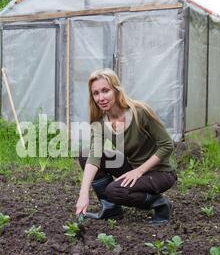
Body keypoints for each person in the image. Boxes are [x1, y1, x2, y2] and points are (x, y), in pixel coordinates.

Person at [75, 68, 176, 225]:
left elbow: (167, 145)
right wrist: (83, 194)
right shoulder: (100, 123)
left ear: (116, 90)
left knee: (114, 191)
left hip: (160, 173)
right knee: (85, 154)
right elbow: (94, 158)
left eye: (105, 91)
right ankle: (111, 209)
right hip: (133, 167)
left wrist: (139, 171)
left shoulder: (140, 112)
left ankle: (161, 204)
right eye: (96, 93)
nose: (101, 97)